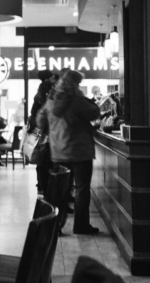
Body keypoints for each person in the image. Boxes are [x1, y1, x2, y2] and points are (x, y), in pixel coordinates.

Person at [37, 70, 101, 235]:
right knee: (81, 189)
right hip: (79, 151)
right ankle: (80, 226)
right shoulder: (77, 100)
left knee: (60, 191)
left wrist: (54, 127)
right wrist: (90, 101)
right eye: (78, 83)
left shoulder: (51, 101)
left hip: (58, 152)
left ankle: (55, 226)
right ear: (75, 84)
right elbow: (94, 113)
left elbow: (40, 120)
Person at [29, 69, 58, 194]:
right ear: (48, 79)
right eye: (52, 77)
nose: (54, 79)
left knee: (42, 162)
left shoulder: (40, 92)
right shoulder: (49, 92)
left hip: (40, 131)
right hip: (46, 132)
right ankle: (46, 189)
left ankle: (42, 186)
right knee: (46, 162)